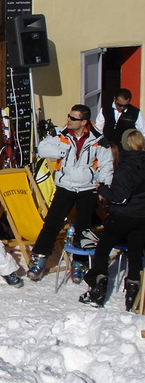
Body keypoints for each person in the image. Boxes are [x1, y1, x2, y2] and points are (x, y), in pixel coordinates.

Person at [27, 104, 113, 282]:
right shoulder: (61, 133)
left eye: (73, 118)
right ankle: (39, 258)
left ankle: (79, 263)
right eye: (69, 116)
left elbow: (106, 164)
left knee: (83, 227)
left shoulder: (98, 138)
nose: (68, 120)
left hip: (87, 187)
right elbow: (42, 148)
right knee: (52, 223)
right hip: (65, 185)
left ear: (83, 122)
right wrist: (61, 150)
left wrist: (104, 187)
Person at [79, 129, 145, 310]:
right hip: (142, 217)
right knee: (135, 256)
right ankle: (133, 299)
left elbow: (120, 198)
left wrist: (102, 190)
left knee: (102, 250)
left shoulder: (125, 167)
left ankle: (98, 290)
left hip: (123, 216)